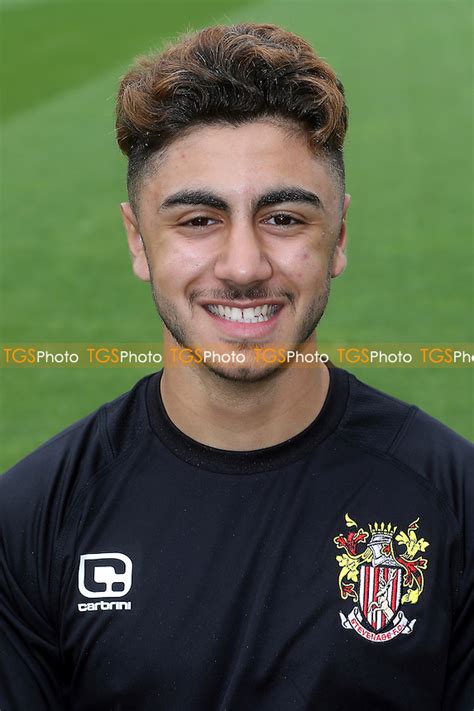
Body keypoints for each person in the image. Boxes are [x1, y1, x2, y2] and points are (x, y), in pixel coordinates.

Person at [0, 23, 472, 711]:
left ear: (338, 237)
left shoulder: (453, 500)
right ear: (139, 241)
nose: (245, 265)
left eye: (283, 218)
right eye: (198, 220)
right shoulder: (33, 518)